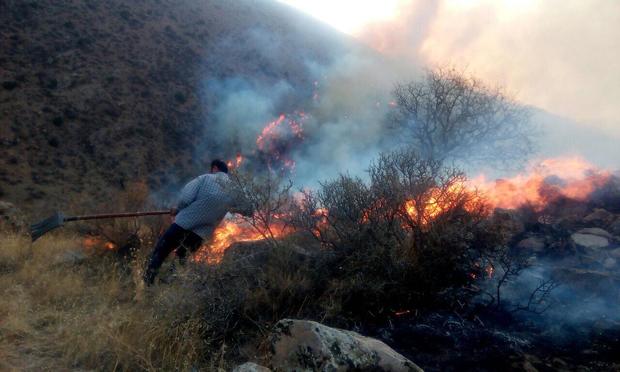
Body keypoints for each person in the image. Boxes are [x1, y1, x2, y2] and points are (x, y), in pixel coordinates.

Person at [143, 159, 250, 284]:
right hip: (201, 234)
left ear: (214, 168)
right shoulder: (234, 189)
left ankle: (147, 284)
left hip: (183, 224)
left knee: (161, 251)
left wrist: (177, 208)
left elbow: (185, 198)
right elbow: (247, 209)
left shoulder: (205, 178)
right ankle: (170, 287)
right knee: (181, 259)